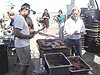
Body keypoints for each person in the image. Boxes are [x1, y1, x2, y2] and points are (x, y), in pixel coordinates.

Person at [14, 3, 34, 75]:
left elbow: (20, 30)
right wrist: (29, 36)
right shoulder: (20, 18)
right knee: (24, 65)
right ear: (25, 10)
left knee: (25, 64)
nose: (29, 13)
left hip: (23, 44)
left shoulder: (19, 17)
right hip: (22, 46)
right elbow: (17, 33)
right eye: (28, 11)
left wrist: (29, 31)